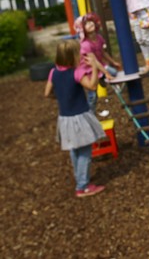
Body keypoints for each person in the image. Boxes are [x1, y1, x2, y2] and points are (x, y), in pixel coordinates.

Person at [44, 39, 106, 198]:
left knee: (74, 149)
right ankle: (83, 187)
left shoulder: (53, 72)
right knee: (85, 151)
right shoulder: (77, 72)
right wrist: (93, 65)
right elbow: (92, 86)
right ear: (71, 56)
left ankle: (80, 179)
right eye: (78, 52)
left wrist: (62, 98)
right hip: (80, 117)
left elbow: (47, 93)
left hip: (65, 118)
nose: (81, 55)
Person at [77, 12, 122, 111]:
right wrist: (106, 73)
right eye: (87, 24)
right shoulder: (85, 44)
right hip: (89, 70)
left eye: (91, 22)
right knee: (93, 95)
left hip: (100, 65)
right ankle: (90, 113)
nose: (90, 24)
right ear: (83, 29)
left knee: (114, 72)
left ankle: (102, 78)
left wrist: (113, 62)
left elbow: (103, 53)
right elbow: (93, 62)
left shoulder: (99, 38)